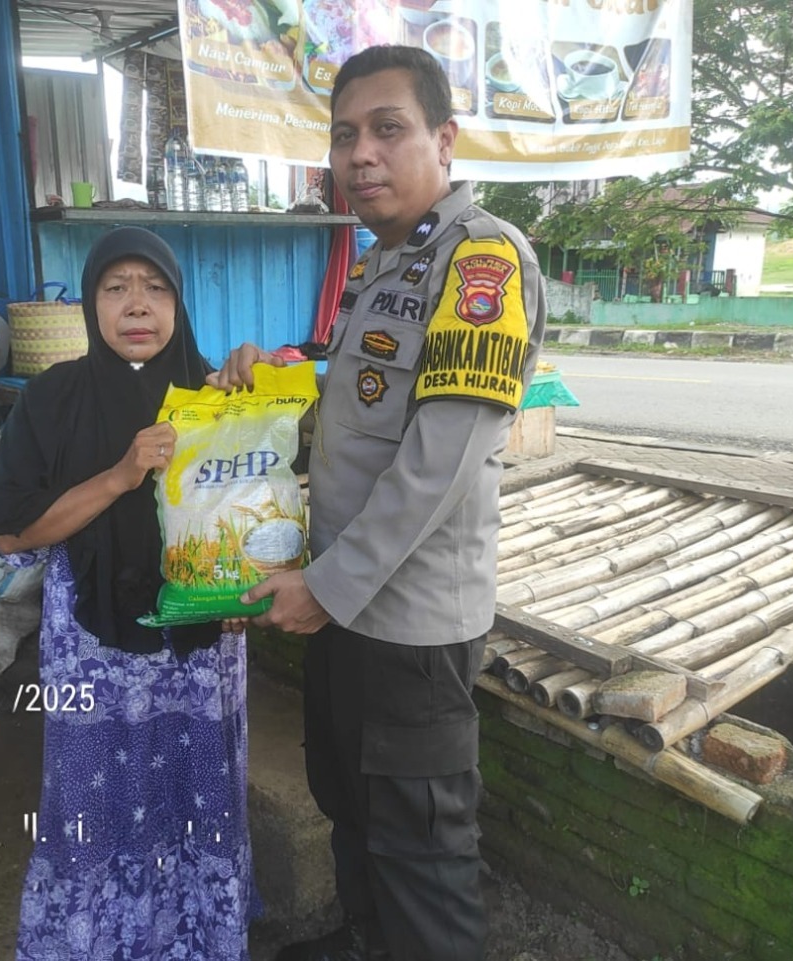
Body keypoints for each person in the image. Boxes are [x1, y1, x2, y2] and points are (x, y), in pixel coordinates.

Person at [211, 46, 547, 961]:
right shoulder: (381, 265)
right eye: (344, 135)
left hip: (409, 626)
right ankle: (364, 941)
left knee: (421, 852)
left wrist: (325, 587)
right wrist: (269, 383)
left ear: (444, 139)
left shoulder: (481, 261)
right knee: (350, 804)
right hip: (346, 604)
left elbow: (442, 458)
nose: (360, 154)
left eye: (387, 129)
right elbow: (353, 414)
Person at [0, 226, 259, 961]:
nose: (137, 304)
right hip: (94, 651)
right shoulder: (53, 399)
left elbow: (253, 514)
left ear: (178, 303)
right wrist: (121, 474)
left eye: (156, 288)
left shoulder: (212, 395)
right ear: (91, 303)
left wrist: (245, 595)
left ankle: (195, 943)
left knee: (197, 797)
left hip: (201, 653)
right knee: (93, 803)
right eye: (116, 288)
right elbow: (12, 534)